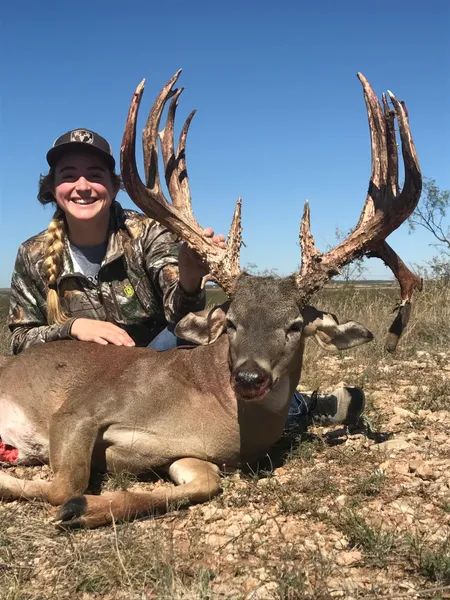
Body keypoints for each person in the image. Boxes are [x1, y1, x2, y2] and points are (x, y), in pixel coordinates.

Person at [7, 129, 365, 440]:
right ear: (52, 187)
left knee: (217, 344)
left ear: (115, 186)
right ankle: (298, 408)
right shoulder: (33, 254)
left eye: (95, 175)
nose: (83, 186)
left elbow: (180, 319)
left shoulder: (148, 232)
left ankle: (289, 405)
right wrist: (74, 328)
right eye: (69, 176)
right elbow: (20, 339)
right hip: (76, 372)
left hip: (155, 363)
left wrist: (190, 278)